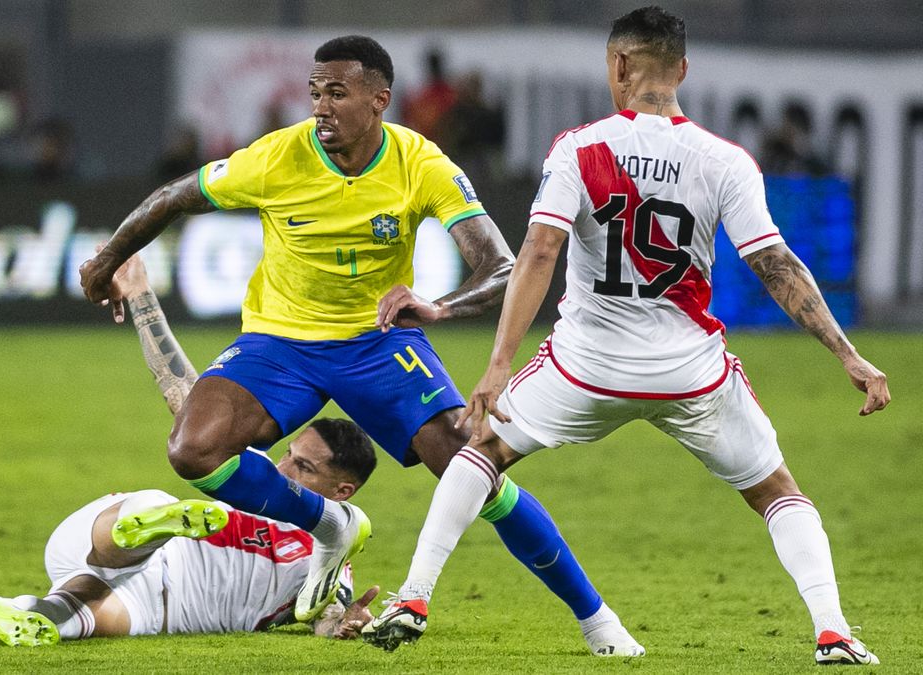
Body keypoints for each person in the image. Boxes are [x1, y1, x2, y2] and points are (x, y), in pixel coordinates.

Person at [79, 35, 643, 655]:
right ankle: (330, 522)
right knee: (193, 450)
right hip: (280, 341)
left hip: (378, 346)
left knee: (473, 466)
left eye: (337, 94)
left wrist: (438, 307)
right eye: (315, 92)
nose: (320, 107)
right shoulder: (276, 158)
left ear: (379, 100)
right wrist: (109, 259)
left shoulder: (419, 163)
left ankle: (597, 621)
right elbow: (171, 197)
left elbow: (502, 267)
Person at [365, 7, 889, 667]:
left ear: (618, 66)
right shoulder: (724, 160)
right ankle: (833, 631)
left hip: (587, 368)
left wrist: (498, 365)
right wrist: (848, 353)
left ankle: (414, 594)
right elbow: (776, 264)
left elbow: (538, 254)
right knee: (778, 490)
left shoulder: (580, 148)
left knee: (483, 450)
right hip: (691, 373)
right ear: (682, 71)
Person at [0, 257, 380, 645]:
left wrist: (345, 623)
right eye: (289, 453)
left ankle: (27, 612)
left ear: (342, 492)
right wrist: (141, 294)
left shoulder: (329, 555)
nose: (284, 467)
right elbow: (182, 392)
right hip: (107, 541)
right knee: (154, 503)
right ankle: (153, 526)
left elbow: (328, 618)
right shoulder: (252, 475)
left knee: (84, 612)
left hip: (160, 608)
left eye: (303, 467)